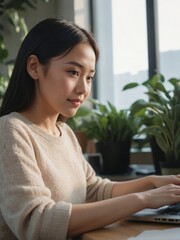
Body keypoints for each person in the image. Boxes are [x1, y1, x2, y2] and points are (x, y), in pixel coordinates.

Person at [0, 18, 180, 240]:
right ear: (34, 67)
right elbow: (36, 222)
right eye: (73, 72)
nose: (83, 89)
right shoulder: (11, 130)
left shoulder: (64, 133)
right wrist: (143, 199)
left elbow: (93, 191)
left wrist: (152, 183)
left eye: (89, 77)